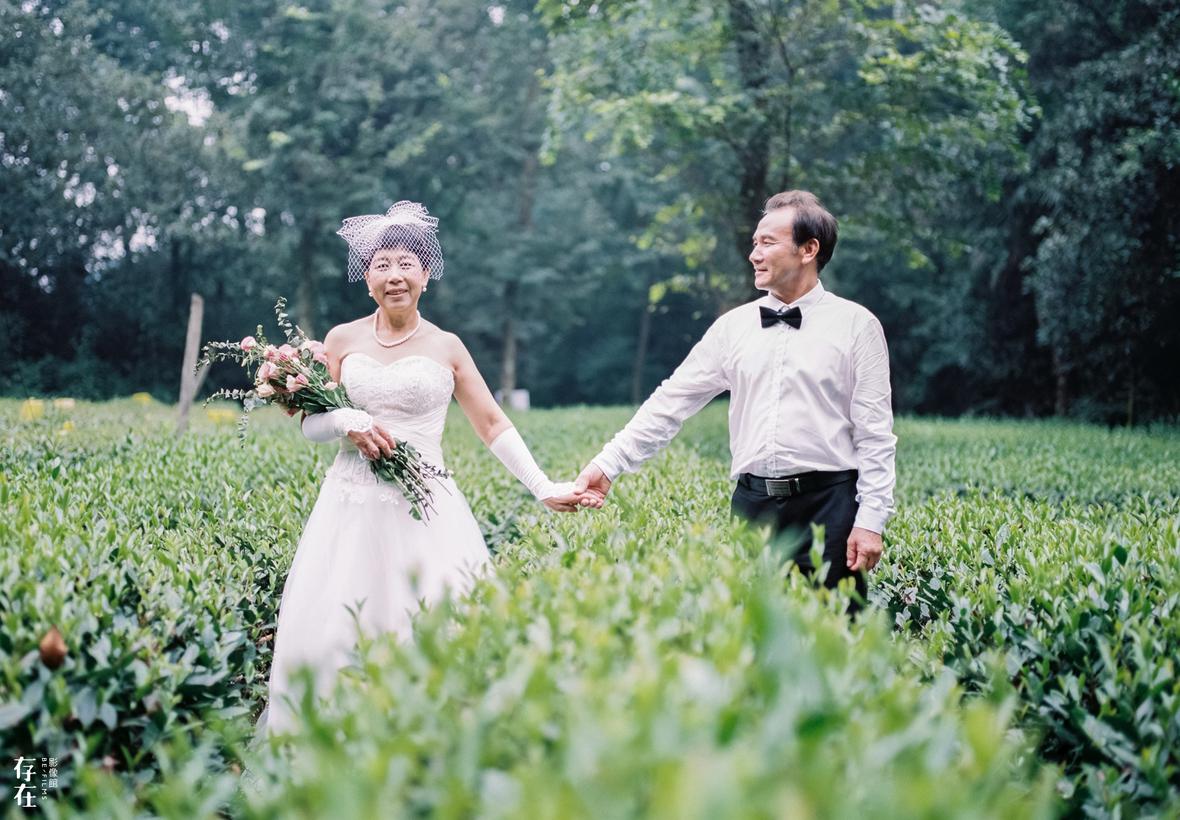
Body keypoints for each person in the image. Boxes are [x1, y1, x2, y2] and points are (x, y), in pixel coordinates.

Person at [261, 201, 590, 735]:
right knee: (339, 625)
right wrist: (345, 420)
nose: (394, 275)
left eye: (406, 264)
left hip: (427, 505)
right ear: (367, 279)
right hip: (350, 506)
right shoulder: (341, 340)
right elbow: (310, 424)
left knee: (436, 618)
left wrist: (542, 486)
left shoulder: (447, 346)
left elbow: (492, 423)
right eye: (382, 265)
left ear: (426, 275)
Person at [574, 190, 896, 608]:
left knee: (837, 633)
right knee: (753, 637)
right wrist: (608, 464)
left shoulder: (857, 325)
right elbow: (671, 401)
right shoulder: (733, 328)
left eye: (768, 242)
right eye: (754, 242)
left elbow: (875, 434)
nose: (754, 254)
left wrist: (871, 520)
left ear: (809, 250)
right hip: (752, 506)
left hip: (830, 507)